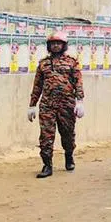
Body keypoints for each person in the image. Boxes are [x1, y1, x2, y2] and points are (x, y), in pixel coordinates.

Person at [28, 30, 85, 178]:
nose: (55, 46)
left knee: (67, 134)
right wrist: (32, 105)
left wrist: (80, 101)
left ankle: (69, 155)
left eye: (58, 43)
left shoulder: (72, 62)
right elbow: (37, 85)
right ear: (49, 45)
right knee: (46, 136)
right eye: (53, 43)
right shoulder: (43, 64)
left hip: (67, 104)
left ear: (64, 45)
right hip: (47, 105)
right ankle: (47, 165)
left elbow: (78, 82)